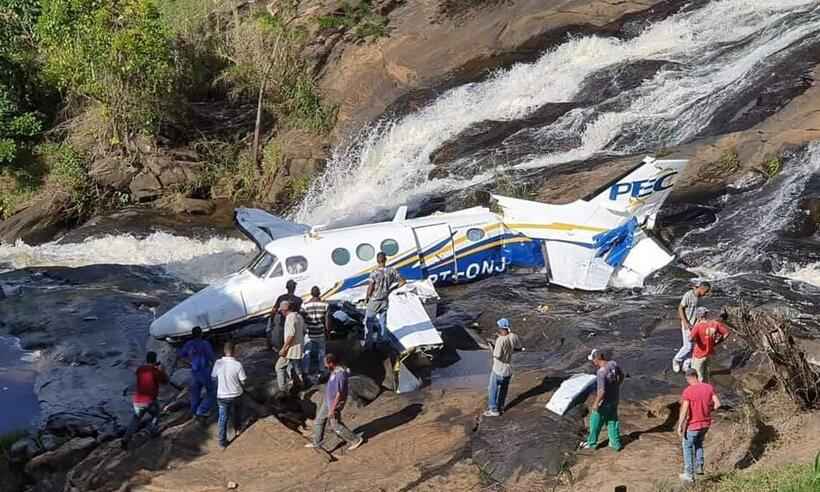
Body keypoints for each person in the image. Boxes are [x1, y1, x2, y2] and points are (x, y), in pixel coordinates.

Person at [306, 353, 364, 451]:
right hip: (328, 400)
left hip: (335, 403)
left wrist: (333, 409)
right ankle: (316, 442)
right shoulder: (334, 371)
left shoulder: (340, 374)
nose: (324, 365)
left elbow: (339, 393)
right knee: (319, 420)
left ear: (331, 363)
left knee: (335, 424)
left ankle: (355, 440)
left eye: (325, 363)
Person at [122, 351, 178, 450]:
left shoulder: (140, 370)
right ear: (155, 360)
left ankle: (126, 439)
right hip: (150, 400)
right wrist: (162, 369)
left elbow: (143, 373)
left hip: (137, 400)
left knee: (135, 419)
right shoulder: (155, 371)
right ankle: (151, 431)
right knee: (156, 414)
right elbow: (165, 381)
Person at [676, 368, 721, 482]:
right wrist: (708, 410)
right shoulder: (708, 387)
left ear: (688, 378)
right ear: (697, 376)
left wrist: (680, 425)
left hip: (693, 425)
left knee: (687, 447)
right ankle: (699, 466)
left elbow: (685, 409)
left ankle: (689, 475)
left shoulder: (688, 391)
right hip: (706, 424)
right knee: (699, 443)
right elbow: (717, 404)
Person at [581, 349, 624, 451]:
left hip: (605, 402)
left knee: (595, 421)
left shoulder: (601, 372)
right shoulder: (613, 364)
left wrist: (596, 404)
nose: (593, 362)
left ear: (597, 358)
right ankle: (615, 443)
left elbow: (601, 392)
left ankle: (591, 443)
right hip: (615, 398)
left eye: (593, 359)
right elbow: (621, 376)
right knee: (612, 421)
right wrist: (616, 386)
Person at [483, 318, 523, 417]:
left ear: (501, 328)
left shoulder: (500, 340)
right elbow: (518, 348)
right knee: (503, 389)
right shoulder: (514, 336)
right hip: (508, 370)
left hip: (498, 369)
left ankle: (493, 410)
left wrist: (492, 347)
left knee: (492, 389)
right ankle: (501, 407)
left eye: (499, 328)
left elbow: (497, 355)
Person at [364, 252, 405, 346]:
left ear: (377, 260)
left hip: (374, 300)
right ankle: (381, 341)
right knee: (382, 321)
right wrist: (391, 289)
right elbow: (403, 281)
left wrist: (367, 298)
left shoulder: (374, 273)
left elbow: (370, 287)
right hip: (385, 299)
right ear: (385, 259)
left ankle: (368, 343)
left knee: (369, 322)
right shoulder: (392, 271)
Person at [211, 341, 247, 449]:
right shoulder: (237, 364)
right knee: (237, 412)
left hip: (222, 396)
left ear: (224, 351)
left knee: (223, 418)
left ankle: (222, 442)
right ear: (234, 351)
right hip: (236, 394)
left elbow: (213, 378)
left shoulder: (218, 363)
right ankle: (238, 429)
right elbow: (244, 380)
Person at [175, 326, 216, 420]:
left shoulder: (188, 344)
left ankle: (194, 412)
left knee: (195, 394)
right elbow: (212, 357)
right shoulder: (205, 344)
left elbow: (181, 354)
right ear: (201, 334)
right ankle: (201, 410)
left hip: (194, 372)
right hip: (205, 372)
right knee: (211, 392)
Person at [672, 281, 712, 373]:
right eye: (706, 291)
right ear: (702, 288)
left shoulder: (700, 297)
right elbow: (680, 308)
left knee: (694, 347)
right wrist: (685, 323)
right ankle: (676, 360)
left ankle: (686, 365)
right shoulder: (688, 295)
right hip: (687, 324)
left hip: (695, 325)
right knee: (688, 346)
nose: (706, 294)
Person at [689, 307, 729, 382]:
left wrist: (696, 339)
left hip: (699, 354)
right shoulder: (714, 323)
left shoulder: (697, 326)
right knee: (706, 375)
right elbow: (726, 333)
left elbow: (690, 339)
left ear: (698, 316)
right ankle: (706, 390)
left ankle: (699, 392)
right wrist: (716, 342)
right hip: (709, 353)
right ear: (706, 314)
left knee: (698, 376)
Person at [301, 286, 330, 381]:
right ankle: (321, 371)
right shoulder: (325, 305)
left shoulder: (305, 305)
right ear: (319, 293)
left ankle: (305, 371)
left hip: (309, 333)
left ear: (311, 293)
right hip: (320, 332)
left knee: (307, 352)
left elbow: (303, 319)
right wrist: (328, 332)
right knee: (321, 352)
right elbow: (327, 321)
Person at [275, 300, 305, 391]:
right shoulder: (299, 316)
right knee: (296, 367)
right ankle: (300, 384)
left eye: (281, 311)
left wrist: (284, 348)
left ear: (285, 310)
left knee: (279, 367)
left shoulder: (290, 318)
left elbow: (291, 334)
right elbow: (304, 330)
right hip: (299, 347)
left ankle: (282, 389)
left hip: (291, 349)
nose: (281, 313)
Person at [267, 280, 303, 351]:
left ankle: (282, 352)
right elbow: (299, 313)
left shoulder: (281, 298)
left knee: (282, 340)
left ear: (286, 288)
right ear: (294, 288)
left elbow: (274, 310)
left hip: (283, 323)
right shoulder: (299, 300)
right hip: (293, 323)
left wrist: (271, 321)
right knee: (292, 340)